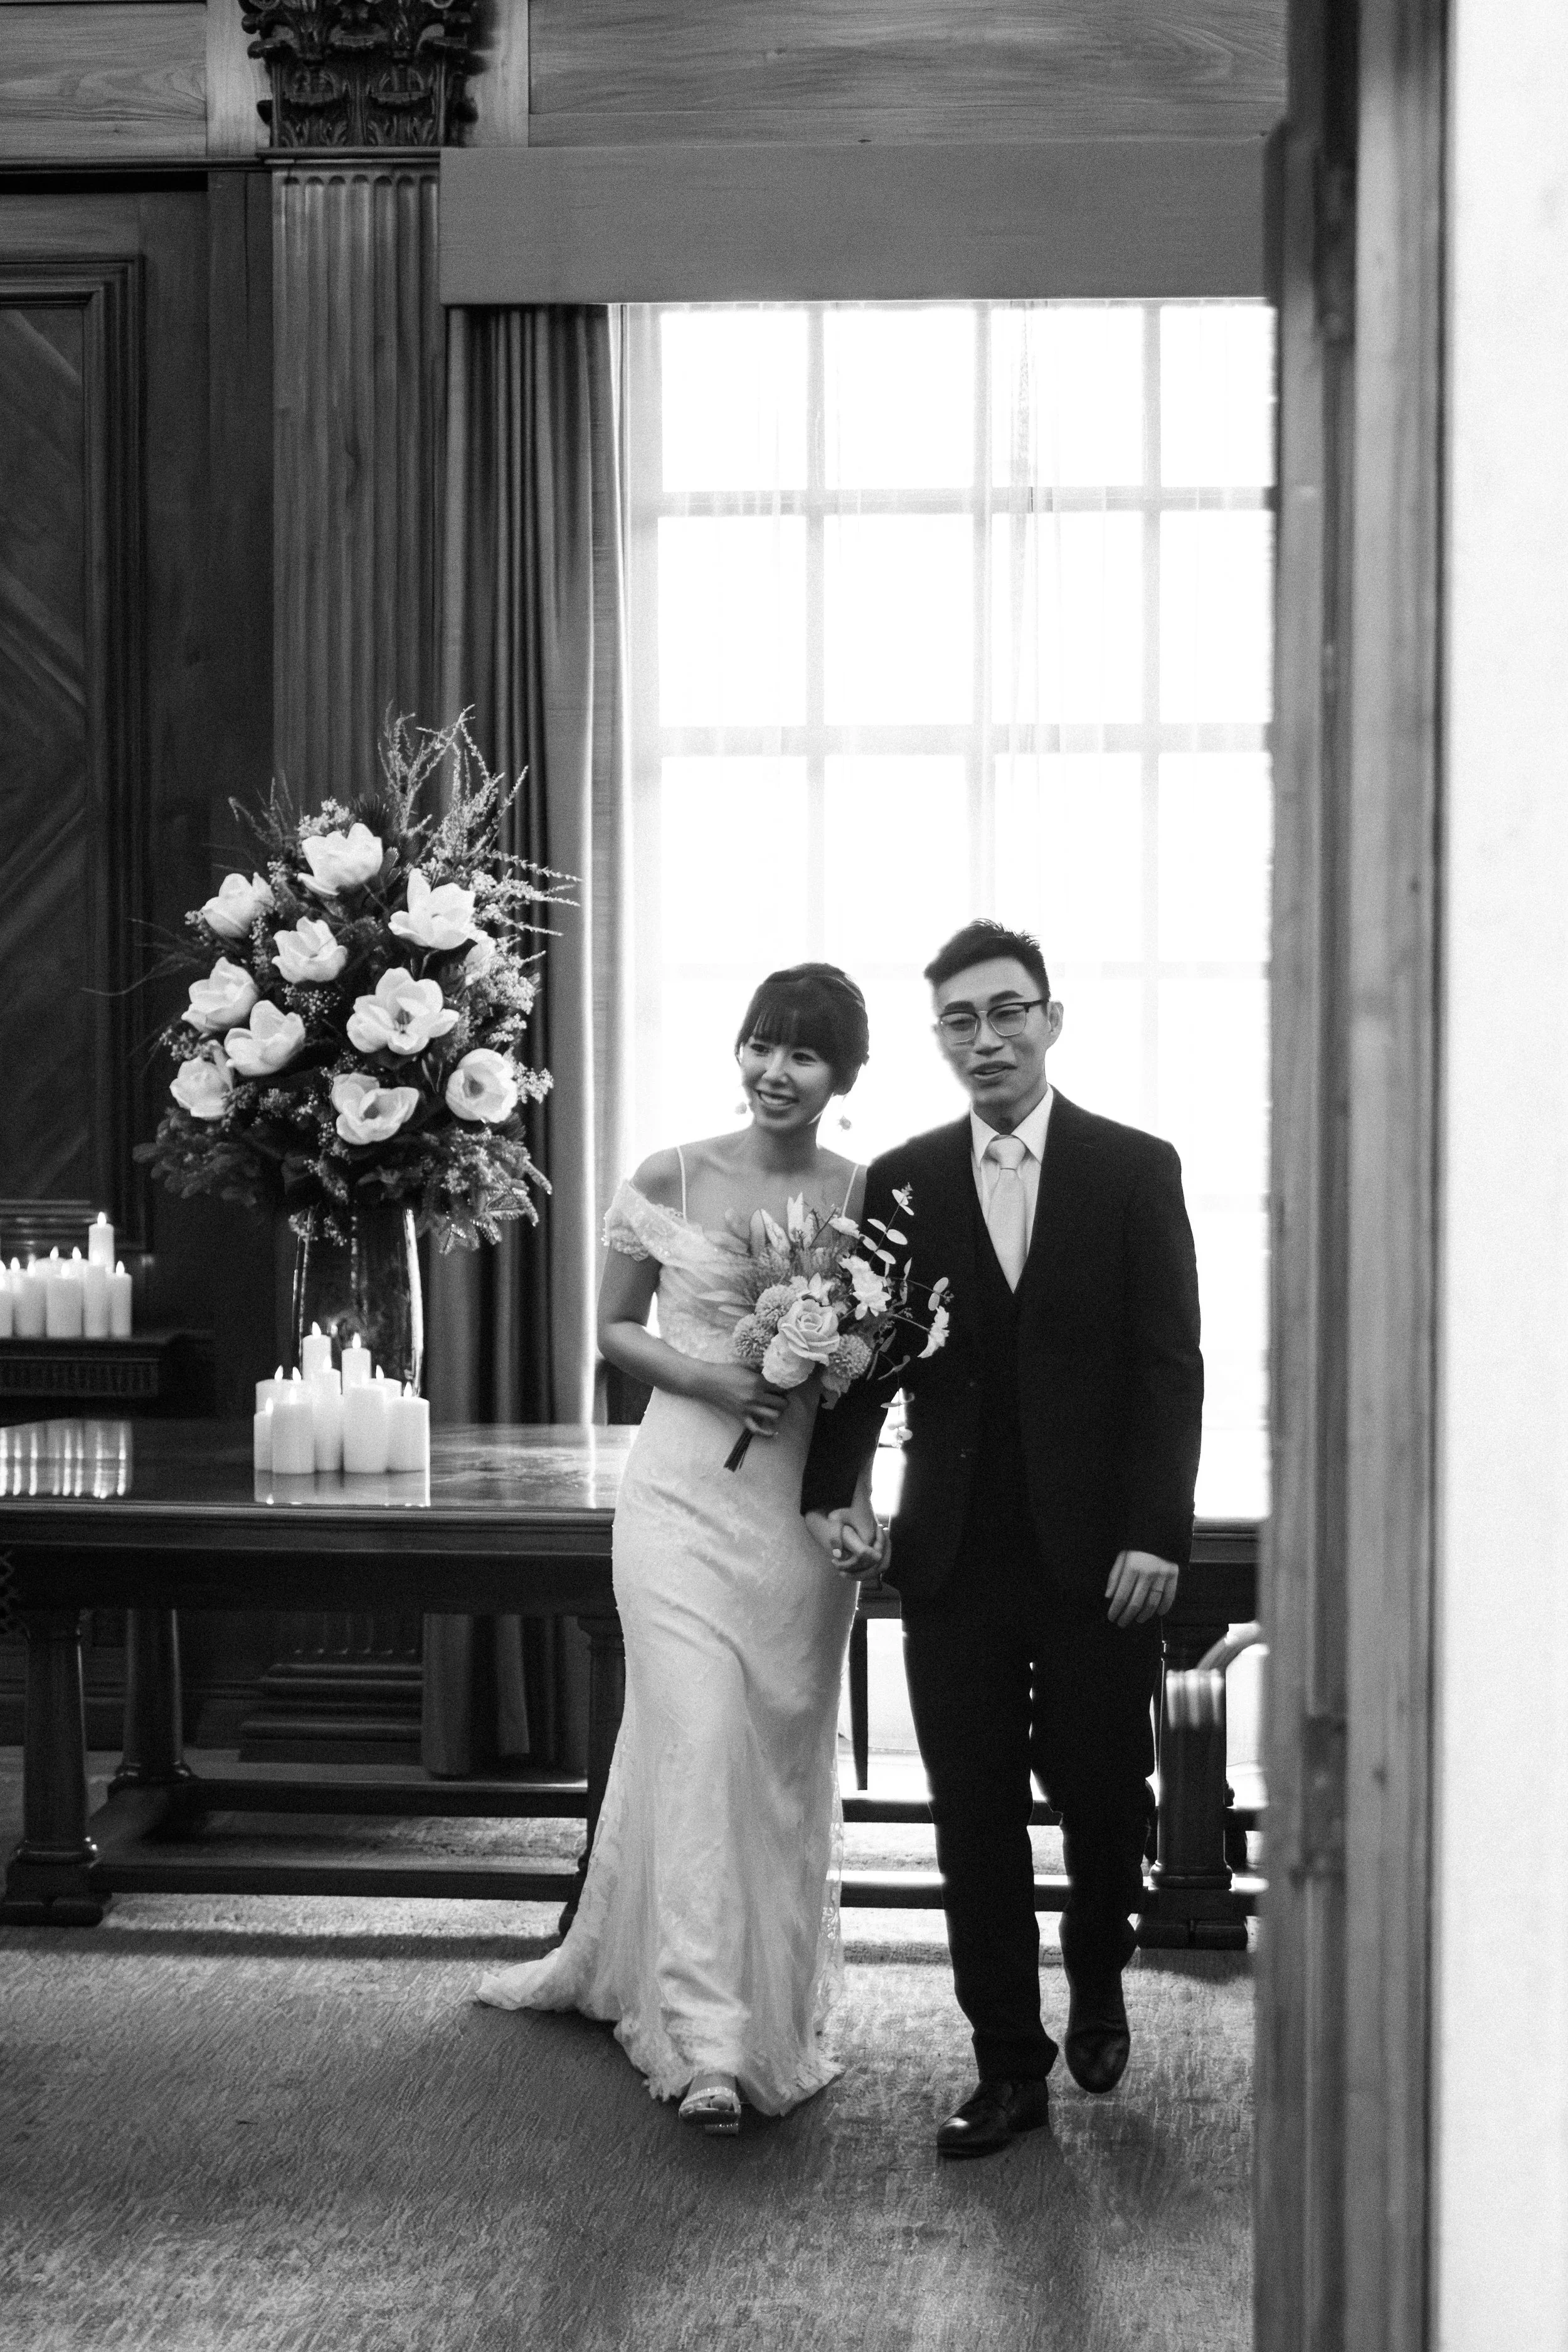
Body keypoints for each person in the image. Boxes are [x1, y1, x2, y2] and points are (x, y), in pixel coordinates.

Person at [802, 918, 1202, 2160]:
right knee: (970, 1815)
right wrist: (836, 1490)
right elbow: (862, 1357)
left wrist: (1155, 1531)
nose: (987, 1038)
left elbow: (1167, 1367)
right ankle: (1006, 2065)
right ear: (940, 1040)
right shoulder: (903, 1179)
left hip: (1100, 1560)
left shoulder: (1135, 1168)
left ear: (1050, 1019)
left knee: (1103, 1795)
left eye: (1007, 1011)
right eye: (961, 1021)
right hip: (954, 1554)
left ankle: (1097, 1963)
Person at [478, 962, 880, 2134]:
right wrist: (710, 1374)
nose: (775, 1070)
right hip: (676, 1506)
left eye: (804, 1053)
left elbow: (870, 1384)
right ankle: (708, 2042)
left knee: (775, 1758)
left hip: (794, 1519)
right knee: (698, 1735)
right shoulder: (672, 1174)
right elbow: (612, 1326)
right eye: (761, 1043)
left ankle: (766, 2004)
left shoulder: (866, 1194)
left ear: (845, 1076)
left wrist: (856, 1502)